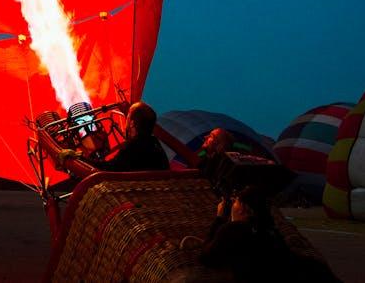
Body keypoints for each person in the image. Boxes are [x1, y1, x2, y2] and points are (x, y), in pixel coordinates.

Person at [200, 186, 337, 282]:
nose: (233, 204)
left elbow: (206, 257)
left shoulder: (233, 230)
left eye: (236, 201)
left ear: (245, 208)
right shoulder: (269, 228)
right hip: (301, 271)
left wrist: (219, 218)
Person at [63, 102, 169, 172]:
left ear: (132, 123)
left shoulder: (132, 148)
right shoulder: (157, 147)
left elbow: (107, 169)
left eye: (128, 116)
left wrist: (80, 159)